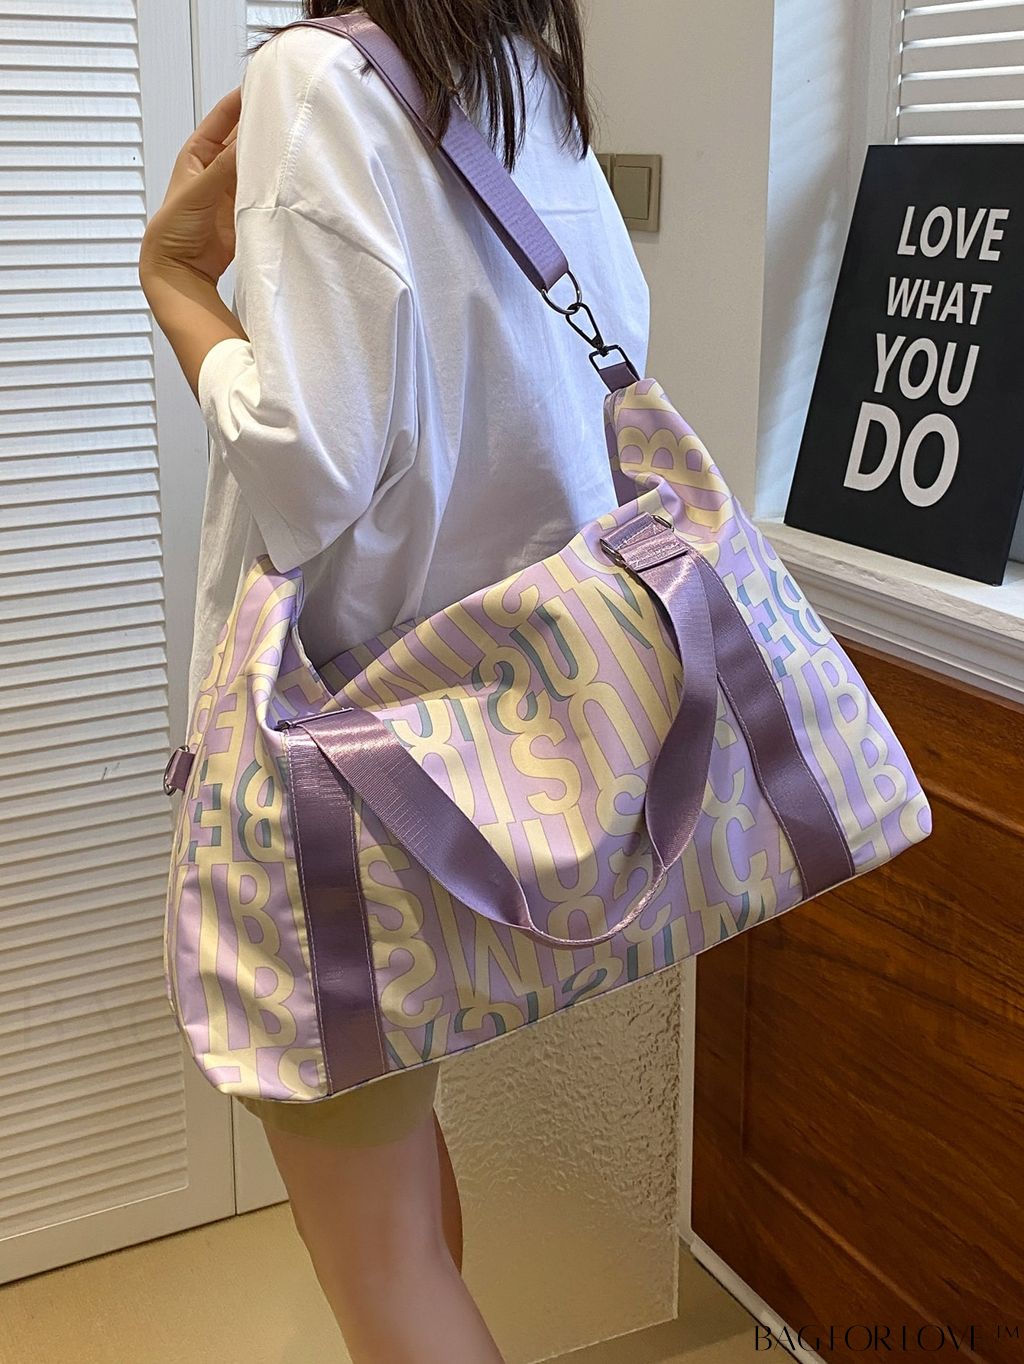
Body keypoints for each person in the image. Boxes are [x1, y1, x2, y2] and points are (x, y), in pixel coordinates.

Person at [139, 2, 649, 1359]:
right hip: (485, 749)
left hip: (340, 760)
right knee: (402, 1187)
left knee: (379, 1263)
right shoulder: (521, 83)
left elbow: (308, 472)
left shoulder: (314, 75)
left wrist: (178, 281)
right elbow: (585, 396)